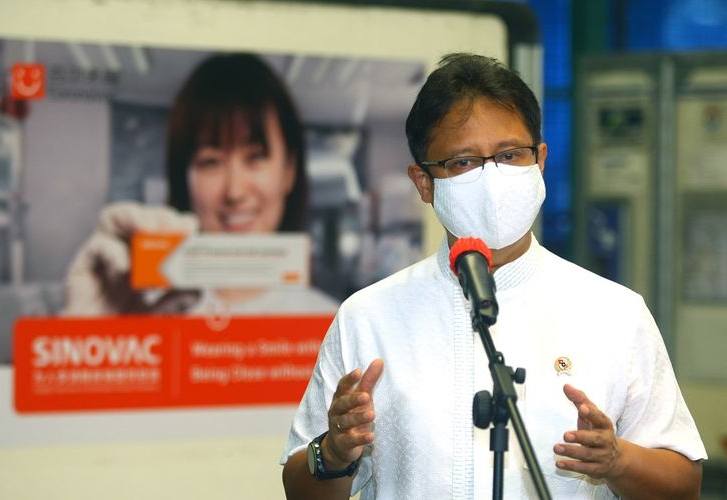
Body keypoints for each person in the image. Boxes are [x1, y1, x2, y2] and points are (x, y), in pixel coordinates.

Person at [280, 53, 707, 499]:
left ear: (539, 160)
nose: (492, 177)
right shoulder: (369, 317)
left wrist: (618, 460)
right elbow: (299, 488)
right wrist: (333, 452)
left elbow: (684, 486)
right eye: (463, 162)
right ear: (424, 182)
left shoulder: (614, 312)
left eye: (509, 155)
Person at [61, 53, 336, 316]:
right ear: (184, 178)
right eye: (210, 162)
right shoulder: (147, 314)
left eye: (255, 157)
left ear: (289, 171)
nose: (234, 191)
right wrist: (87, 342)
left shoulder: (331, 325)